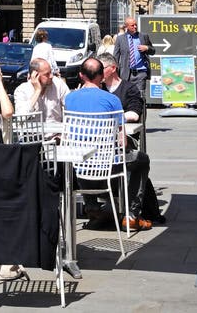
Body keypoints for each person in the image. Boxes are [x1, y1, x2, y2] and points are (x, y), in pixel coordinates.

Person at [65, 57, 152, 230]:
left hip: (79, 166)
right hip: (107, 165)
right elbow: (122, 141)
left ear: (81, 75)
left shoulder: (70, 99)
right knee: (142, 160)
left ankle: (92, 207)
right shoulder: (112, 100)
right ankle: (131, 214)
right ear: (101, 76)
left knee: (86, 158)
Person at [99, 52, 166, 224]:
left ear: (112, 68)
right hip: (99, 144)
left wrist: (111, 116)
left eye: (102, 68)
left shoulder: (129, 89)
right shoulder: (98, 89)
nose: (98, 72)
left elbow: (135, 114)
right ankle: (95, 208)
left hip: (123, 141)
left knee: (135, 163)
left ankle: (132, 211)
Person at [14, 57, 69, 123]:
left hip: (56, 132)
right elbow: (21, 117)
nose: (51, 76)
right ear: (35, 75)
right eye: (47, 74)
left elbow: (70, 107)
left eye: (51, 72)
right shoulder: (22, 90)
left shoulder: (58, 84)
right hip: (32, 132)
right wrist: (37, 91)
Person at [113, 16, 155, 96]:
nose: (135, 27)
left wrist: (147, 48)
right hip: (126, 74)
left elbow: (153, 51)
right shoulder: (120, 39)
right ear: (126, 27)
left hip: (141, 73)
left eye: (136, 25)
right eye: (132, 25)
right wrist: (115, 72)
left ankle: (141, 109)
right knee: (127, 97)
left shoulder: (143, 36)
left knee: (140, 96)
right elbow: (115, 57)